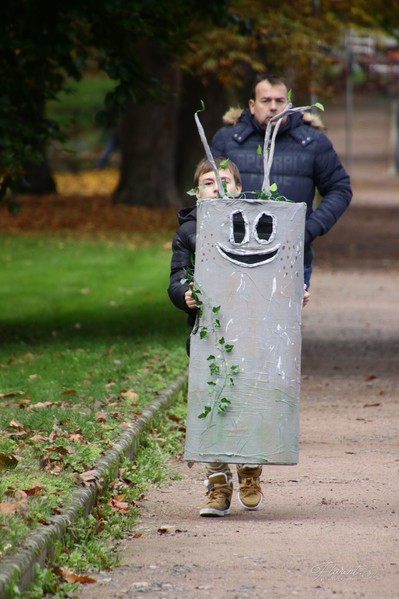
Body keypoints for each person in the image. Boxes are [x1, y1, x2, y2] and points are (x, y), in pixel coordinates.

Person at [168, 156, 309, 517]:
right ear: (197, 193)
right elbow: (176, 278)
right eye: (210, 183)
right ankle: (217, 485)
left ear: (240, 188)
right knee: (212, 405)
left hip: (255, 337)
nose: (219, 188)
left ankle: (249, 470)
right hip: (210, 338)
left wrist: (293, 292)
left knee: (250, 397)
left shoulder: (263, 225)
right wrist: (184, 294)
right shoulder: (188, 232)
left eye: (226, 181)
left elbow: (278, 271)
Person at [210, 74, 352, 289]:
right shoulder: (227, 140)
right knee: (234, 321)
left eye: (280, 101)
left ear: (289, 104)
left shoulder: (312, 142)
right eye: (266, 101)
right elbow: (207, 187)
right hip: (232, 252)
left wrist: (308, 229)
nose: (274, 107)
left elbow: (340, 189)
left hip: (291, 258)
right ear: (252, 105)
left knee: (282, 322)